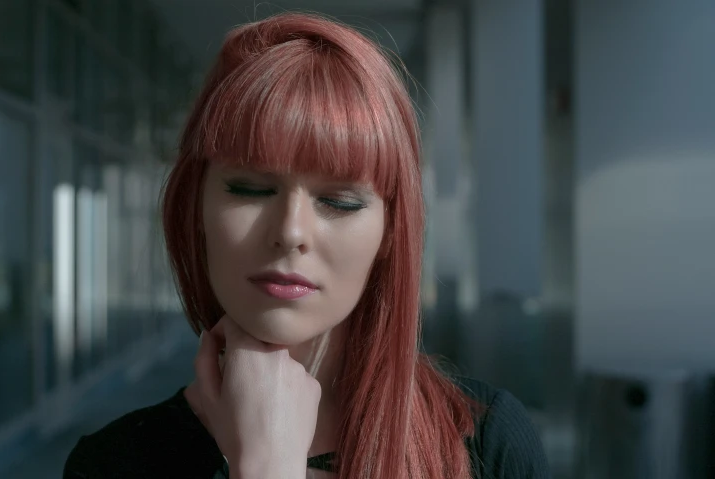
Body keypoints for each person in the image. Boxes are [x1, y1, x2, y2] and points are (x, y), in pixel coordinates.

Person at [63, 11, 549, 479]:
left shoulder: (484, 443)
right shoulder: (115, 464)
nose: (292, 231)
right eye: (250, 189)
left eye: (339, 201)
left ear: (390, 232)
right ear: (196, 210)